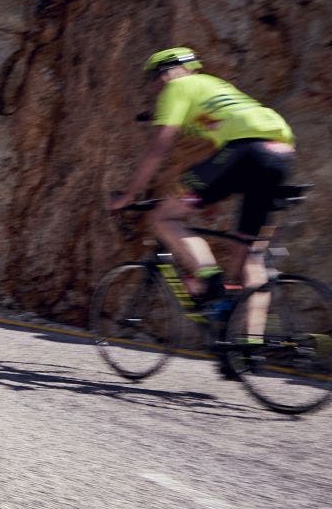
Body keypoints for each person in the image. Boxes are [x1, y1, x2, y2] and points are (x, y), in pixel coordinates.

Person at [110, 48, 297, 320]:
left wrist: (129, 194)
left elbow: (159, 148)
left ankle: (209, 279)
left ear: (166, 73)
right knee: (250, 256)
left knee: (163, 217)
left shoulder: (178, 86)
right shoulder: (215, 85)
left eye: (153, 78)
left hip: (246, 151)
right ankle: (248, 343)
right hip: (281, 154)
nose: (153, 87)